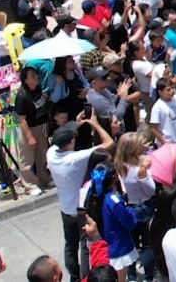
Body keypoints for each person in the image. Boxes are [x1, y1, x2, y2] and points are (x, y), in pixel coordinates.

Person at [48, 114, 114, 281]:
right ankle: (85, 277)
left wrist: (75, 126)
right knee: (85, 246)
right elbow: (109, 144)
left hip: (65, 208)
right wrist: (95, 124)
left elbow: (62, 139)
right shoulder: (75, 158)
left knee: (69, 246)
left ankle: (74, 277)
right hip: (80, 210)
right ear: (71, 142)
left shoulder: (51, 153)